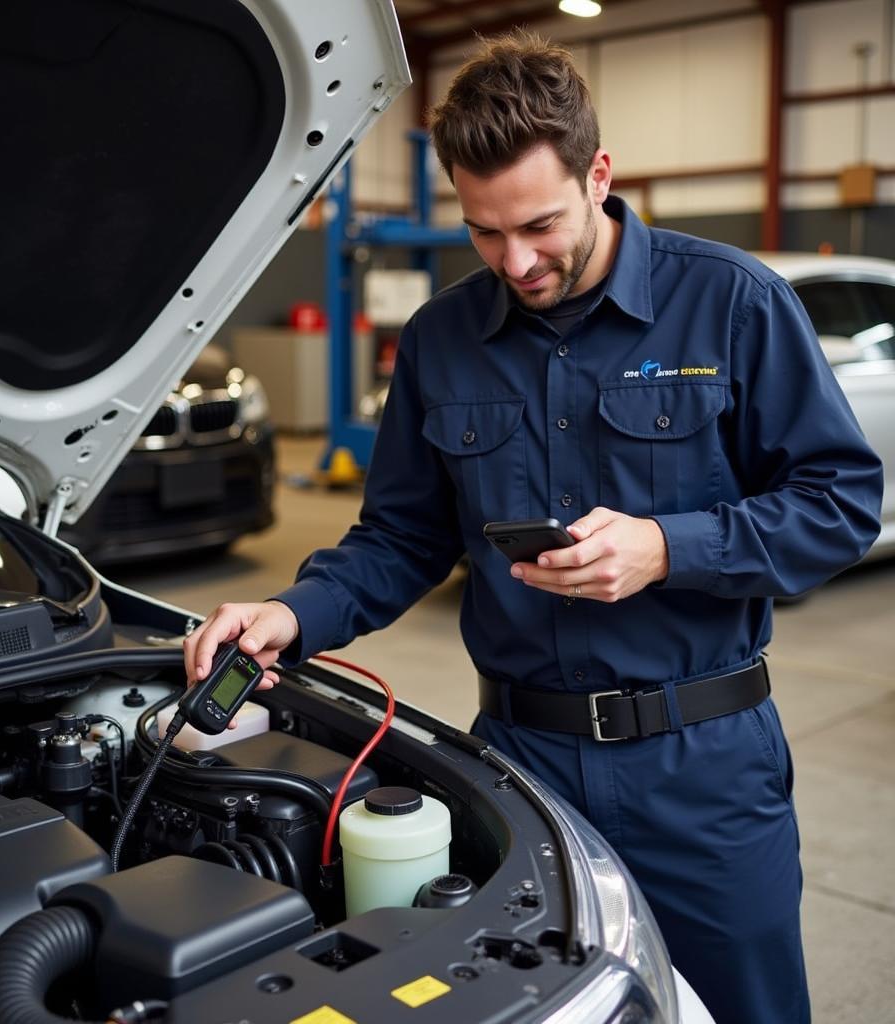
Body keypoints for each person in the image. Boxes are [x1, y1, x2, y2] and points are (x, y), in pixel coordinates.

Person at [184, 31, 883, 1024]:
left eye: (540, 225)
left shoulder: (732, 305)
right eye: (482, 232)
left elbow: (839, 503)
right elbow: (401, 538)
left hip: (701, 767)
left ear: (598, 173)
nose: (516, 261)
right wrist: (290, 615)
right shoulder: (440, 339)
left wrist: (666, 546)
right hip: (521, 764)